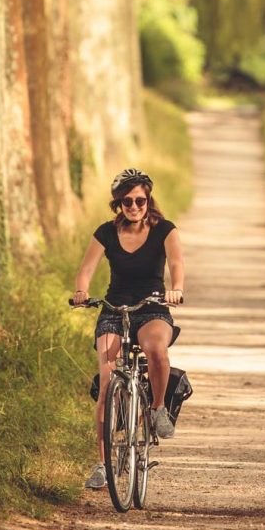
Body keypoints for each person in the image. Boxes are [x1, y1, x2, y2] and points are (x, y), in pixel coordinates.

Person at [71, 167, 185, 491]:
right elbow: (86, 269)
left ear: (149, 200)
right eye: (127, 201)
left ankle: (159, 407)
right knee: (107, 383)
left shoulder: (165, 230)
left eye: (140, 200)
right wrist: (81, 291)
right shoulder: (105, 233)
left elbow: (177, 264)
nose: (134, 206)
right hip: (113, 308)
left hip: (152, 307)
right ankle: (103, 463)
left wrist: (175, 288)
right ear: (118, 204)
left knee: (155, 350)